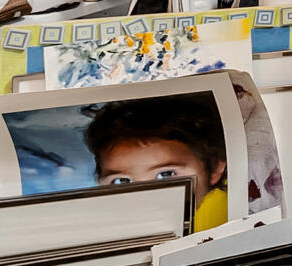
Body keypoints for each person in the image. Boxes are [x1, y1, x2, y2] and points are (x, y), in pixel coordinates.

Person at [86, 93, 231, 232]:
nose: (143, 198)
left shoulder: (221, 216)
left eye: (166, 174)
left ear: (214, 168)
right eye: (122, 181)